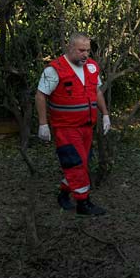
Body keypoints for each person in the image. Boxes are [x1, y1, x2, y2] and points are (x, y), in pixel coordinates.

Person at [35, 32, 110, 216]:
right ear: (70, 48)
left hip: (87, 126)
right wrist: (43, 124)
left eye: (88, 51)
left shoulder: (92, 67)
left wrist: (105, 114)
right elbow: (40, 95)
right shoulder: (55, 69)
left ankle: (63, 194)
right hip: (66, 128)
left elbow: (97, 91)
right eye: (81, 50)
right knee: (76, 164)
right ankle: (83, 203)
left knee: (82, 163)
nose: (85, 55)